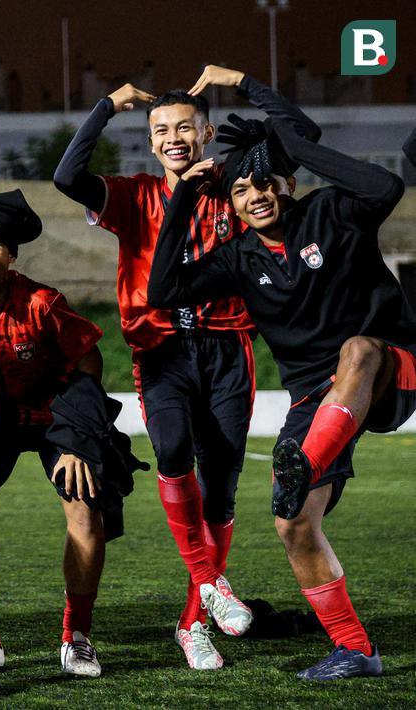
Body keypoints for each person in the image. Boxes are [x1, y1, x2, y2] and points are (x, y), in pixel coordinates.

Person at [52, 64, 321, 669]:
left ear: (203, 133)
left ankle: (193, 622)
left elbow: (303, 133)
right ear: (150, 141)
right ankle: (209, 584)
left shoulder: (234, 183)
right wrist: (106, 108)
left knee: (221, 489)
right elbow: (66, 174)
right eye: (161, 129)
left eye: (185, 127)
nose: (174, 137)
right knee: (172, 454)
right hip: (161, 349)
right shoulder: (133, 195)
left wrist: (245, 82)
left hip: (229, 349)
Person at [148, 105, 408, 680]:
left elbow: (387, 185)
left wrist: (294, 144)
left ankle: (304, 464)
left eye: (265, 182)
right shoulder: (239, 258)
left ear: (288, 183)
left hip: (389, 369)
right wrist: (185, 200)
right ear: (231, 203)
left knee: (359, 349)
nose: (255, 196)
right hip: (315, 401)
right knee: (293, 524)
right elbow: (165, 288)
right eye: (240, 189)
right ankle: (354, 650)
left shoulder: (331, 211)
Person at [0, 191, 111, 679]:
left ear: (11, 256)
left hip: (55, 415)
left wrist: (77, 438)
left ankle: (77, 637)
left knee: (85, 508)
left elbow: (89, 359)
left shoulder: (41, 301)